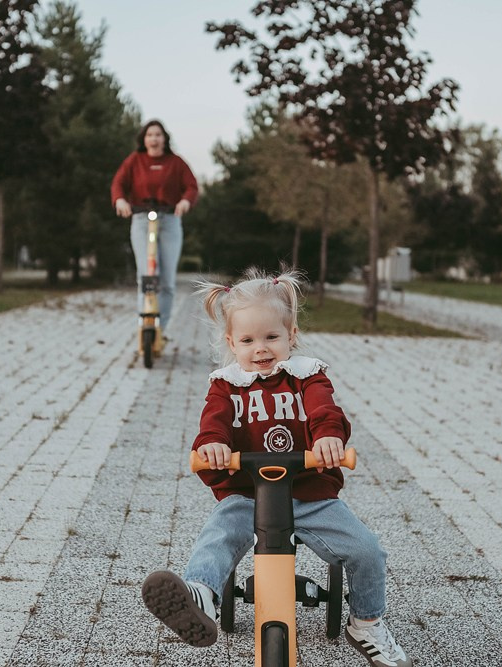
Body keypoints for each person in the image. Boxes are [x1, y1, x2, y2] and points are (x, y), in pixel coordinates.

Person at [141, 268, 413, 667]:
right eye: (248, 340)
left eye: (271, 337)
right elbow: (213, 421)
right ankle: (201, 594)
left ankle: (367, 622)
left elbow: (324, 409)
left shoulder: (306, 375)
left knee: (368, 550)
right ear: (232, 343)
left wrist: (327, 438)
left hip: (309, 494)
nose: (261, 349)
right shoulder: (226, 385)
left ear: (291, 336)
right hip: (248, 494)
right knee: (219, 533)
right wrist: (213, 444)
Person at [110, 119, 198, 339]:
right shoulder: (135, 160)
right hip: (141, 219)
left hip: (169, 220)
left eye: (158, 134)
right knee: (147, 274)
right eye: (150, 135)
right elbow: (118, 184)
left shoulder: (175, 162)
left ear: (164, 138)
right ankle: (144, 322)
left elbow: (191, 186)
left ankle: (162, 327)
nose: (154, 138)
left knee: (167, 280)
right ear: (144, 138)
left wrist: (185, 201)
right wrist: (120, 200)